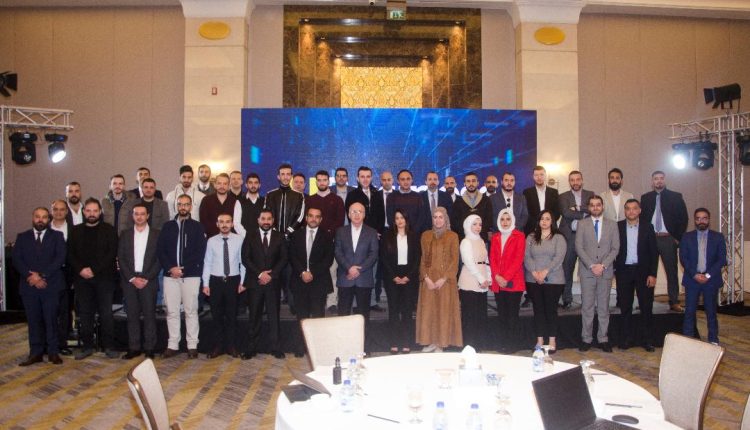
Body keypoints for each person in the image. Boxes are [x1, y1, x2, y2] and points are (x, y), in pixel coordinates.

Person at [12, 207, 66, 366]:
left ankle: (53, 352)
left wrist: (41, 275)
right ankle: (35, 353)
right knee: (33, 320)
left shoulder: (57, 236)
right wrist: (31, 277)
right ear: (33, 218)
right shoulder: (22, 237)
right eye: (37, 216)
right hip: (29, 287)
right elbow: (17, 260)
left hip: (50, 285)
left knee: (51, 320)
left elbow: (60, 258)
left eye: (44, 217)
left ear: (48, 219)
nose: (40, 220)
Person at [67, 198, 119, 360]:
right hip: (82, 279)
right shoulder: (75, 231)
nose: (92, 214)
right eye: (88, 211)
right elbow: (70, 254)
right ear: (84, 212)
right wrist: (81, 269)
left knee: (106, 313)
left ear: (100, 212)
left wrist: (94, 270)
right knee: (85, 314)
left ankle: (108, 346)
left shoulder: (109, 230)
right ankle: (87, 346)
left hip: (104, 279)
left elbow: (112, 253)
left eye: (95, 211)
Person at [157, 194, 207, 359]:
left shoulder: (197, 227)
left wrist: (184, 269)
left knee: (191, 311)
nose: (183, 207)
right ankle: (173, 345)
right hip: (170, 276)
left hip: (190, 276)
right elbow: (161, 250)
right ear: (176, 206)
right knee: (171, 311)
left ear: (191, 207)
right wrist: (171, 268)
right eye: (180, 204)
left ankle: (192, 345)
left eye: (186, 204)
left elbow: (200, 252)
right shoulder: (168, 226)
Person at [575, 195, 619, 353]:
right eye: (592, 205)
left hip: (605, 272)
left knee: (603, 307)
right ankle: (586, 339)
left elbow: (615, 248)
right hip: (587, 271)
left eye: (598, 205)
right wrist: (592, 265)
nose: (595, 207)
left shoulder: (612, 225)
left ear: (602, 206)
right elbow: (579, 247)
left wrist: (603, 265)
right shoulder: (582, 224)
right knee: (587, 307)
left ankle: (603, 339)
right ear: (589, 207)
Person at [242, 209, 288, 359]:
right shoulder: (250, 236)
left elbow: (284, 258)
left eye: (269, 219)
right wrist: (260, 274)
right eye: (263, 219)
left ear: (273, 220)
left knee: (274, 316)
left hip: (273, 283)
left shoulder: (279, 237)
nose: (266, 222)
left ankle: (276, 348)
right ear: (258, 220)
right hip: (255, 282)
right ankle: (251, 348)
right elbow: (245, 258)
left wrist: (271, 275)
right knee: (254, 316)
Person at [640, 170, 688, 312]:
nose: (659, 181)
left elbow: (683, 218)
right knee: (648, 271)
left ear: (665, 180)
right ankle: (646, 301)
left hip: (668, 239)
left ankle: (674, 301)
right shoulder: (645, 198)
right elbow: (642, 220)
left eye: (661, 178)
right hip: (650, 239)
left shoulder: (676, 197)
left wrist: (677, 238)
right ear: (652, 181)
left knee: (671, 272)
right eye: (656, 178)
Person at [288, 207, 334, 356]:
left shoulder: (327, 236)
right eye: (311, 216)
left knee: (318, 317)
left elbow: (328, 259)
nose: (314, 219)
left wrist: (312, 273)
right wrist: (303, 272)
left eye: (317, 217)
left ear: (321, 219)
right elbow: (292, 256)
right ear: (306, 218)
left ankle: (317, 349)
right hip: (299, 281)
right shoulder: (296, 235)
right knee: (301, 317)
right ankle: (301, 347)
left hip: (318, 282)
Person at [614, 199, 658, 351]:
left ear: (639, 210)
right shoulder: (618, 226)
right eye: (628, 208)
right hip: (624, 272)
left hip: (643, 272)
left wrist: (653, 274)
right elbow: (612, 249)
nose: (631, 211)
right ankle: (626, 339)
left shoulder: (648, 227)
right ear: (624, 211)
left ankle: (647, 340)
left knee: (646, 307)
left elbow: (654, 252)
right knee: (625, 307)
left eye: (634, 208)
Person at [416, 207, 462, 353]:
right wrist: (426, 278)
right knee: (429, 312)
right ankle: (431, 341)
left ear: (445, 218)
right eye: (435, 217)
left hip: (445, 281)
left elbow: (455, 260)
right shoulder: (426, 235)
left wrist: (444, 278)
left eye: (440, 217)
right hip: (429, 280)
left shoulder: (453, 236)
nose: (437, 220)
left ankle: (441, 343)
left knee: (443, 312)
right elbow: (423, 258)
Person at [118, 204, 161, 359]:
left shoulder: (157, 234)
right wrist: (132, 278)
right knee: (132, 315)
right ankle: (134, 347)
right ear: (132, 216)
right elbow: (121, 258)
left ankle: (150, 348)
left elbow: (159, 259)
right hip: (130, 280)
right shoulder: (125, 234)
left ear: (147, 216)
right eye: (136, 214)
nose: (139, 217)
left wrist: (146, 277)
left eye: (142, 214)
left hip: (149, 280)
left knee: (149, 315)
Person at [680, 208, 727, 345]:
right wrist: (695, 274)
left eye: (704, 218)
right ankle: (688, 339)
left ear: (709, 219)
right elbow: (683, 258)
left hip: (710, 280)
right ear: (695, 220)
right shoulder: (686, 237)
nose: (701, 221)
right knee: (689, 311)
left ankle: (713, 339)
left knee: (711, 311)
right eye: (698, 218)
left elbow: (721, 259)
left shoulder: (718, 237)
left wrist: (707, 275)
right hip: (692, 280)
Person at [202, 213, 245, 359]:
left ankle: (231, 346)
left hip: (233, 281)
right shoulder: (211, 241)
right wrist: (206, 283)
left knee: (232, 316)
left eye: (227, 222)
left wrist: (243, 282)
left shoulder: (239, 240)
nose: (225, 224)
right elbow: (207, 263)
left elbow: (243, 263)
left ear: (232, 224)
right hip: (216, 282)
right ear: (217, 224)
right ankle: (218, 347)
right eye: (221, 222)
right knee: (217, 316)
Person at [524, 210, 566, 352]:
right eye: (542, 218)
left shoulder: (559, 238)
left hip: (554, 280)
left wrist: (545, 272)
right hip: (533, 279)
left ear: (552, 221)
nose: (544, 221)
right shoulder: (531, 237)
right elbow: (527, 256)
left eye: (547, 219)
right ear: (538, 221)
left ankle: (552, 341)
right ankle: (540, 341)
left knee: (551, 311)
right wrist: (535, 273)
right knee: (538, 310)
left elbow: (558, 258)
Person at [264, 163, 304, 314]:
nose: (286, 177)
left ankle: (294, 306)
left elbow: (300, 217)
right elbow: (267, 215)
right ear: (278, 176)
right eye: (283, 174)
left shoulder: (299, 196)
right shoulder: (270, 195)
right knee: (273, 274)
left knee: (291, 275)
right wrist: (276, 234)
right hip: (273, 242)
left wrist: (287, 233)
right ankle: (271, 307)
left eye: (288, 174)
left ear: (291, 176)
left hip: (291, 241)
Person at [380, 209, 421, 354]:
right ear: (394, 220)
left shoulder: (414, 236)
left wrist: (408, 276)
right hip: (392, 277)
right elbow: (383, 258)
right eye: (397, 218)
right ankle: (394, 342)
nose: (400, 221)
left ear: (406, 219)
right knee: (393, 311)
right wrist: (393, 276)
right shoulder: (387, 236)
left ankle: (406, 342)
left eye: (402, 218)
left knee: (407, 311)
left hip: (409, 277)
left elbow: (417, 258)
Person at [306, 170, 345, 313]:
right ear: (316, 181)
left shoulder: (337, 199)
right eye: (319, 180)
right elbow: (307, 221)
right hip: (312, 243)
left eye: (324, 180)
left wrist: (328, 235)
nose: (322, 182)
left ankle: (332, 302)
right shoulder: (309, 199)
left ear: (329, 181)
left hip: (330, 242)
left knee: (332, 272)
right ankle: (314, 301)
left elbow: (340, 221)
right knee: (314, 271)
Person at [334, 202, 379, 322]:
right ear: (349, 214)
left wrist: (359, 269)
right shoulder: (340, 231)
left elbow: (373, 254)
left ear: (364, 214)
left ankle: (363, 335)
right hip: (345, 277)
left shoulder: (372, 232)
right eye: (354, 212)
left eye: (360, 212)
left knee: (363, 316)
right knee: (343, 314)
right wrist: (349, 268)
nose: (357, 215)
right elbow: (338, 252)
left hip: (364, 278)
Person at [489, 208, 526, 352]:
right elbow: (492, 258)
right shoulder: (496, 237)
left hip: (513, 282)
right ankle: (502, 343)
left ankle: (512, 344)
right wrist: (497, 276)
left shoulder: (519, 236)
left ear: (513, 220)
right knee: (502, 314)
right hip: (499, 282)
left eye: (508, 219)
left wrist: (506, 277)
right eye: (502, 219)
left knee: (512, 315)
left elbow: (518, 259)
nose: (505, 222)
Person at [558, 170, 594, 309]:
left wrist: (577, 207)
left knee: (588, 268)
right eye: (572, 180)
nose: (575, 182)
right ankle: (567, 299)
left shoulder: (590, 194)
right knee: (567, 268)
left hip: (586, 237)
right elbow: (566, 213)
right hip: (570, 236)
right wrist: (584, 212)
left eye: (578, 179)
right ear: (569, 182)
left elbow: (593, 210)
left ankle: (588, 299)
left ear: (582, 180)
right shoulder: (563, 196)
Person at [457, 215, 491, 350]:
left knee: (480, 316)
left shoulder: (481, 241)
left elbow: (486, 261)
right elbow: (469, 263)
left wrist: (488, 278)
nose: (478, 227)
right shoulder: (465, 242)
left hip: (482, 283)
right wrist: (481, 279)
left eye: (480, 224)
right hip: (469, 282)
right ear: (468, 225)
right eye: (474, 224)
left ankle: (479, 346)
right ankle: (469, 347)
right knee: (469, 317)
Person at [451, 172, 493, 242]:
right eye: (468, 181)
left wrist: (477, 231)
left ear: (478, 183)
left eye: (473, 181)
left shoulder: (486, 200)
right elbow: (455, 223)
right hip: (464, 240)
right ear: (464, 184)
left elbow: (489, 221)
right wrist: (468, 232)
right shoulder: (458, 202)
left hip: (481, 239)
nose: (471, 184)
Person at [344, 166, 384, 233]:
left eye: (368, 177)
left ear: (371, 178)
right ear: (357, 178)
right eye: (362, 177)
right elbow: (350, 216)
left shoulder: (377, 194)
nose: (365, 179)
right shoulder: (351, 195)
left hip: (375, 233)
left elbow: (381, 216)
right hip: (357, 232)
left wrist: (378, 232)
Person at [199, 173, 239, 238]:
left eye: (225, 184)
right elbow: (203, 221)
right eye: (219, 183)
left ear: (229, 186)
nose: (222, 186)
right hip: (211, 238)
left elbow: (236, 222)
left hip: (231, 238)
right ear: (215, 185)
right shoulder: (206, 200)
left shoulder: (235, 202)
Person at [387, 169, 427, 233]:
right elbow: (390, 218)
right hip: (397, 234)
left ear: (412, 180)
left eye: (408, 179)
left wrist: (414, 232)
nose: (406, 182)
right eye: (402, 179)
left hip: (414, 234)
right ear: (398, 181)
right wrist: (399, 232)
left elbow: (421, 217)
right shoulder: (391, 197)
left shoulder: (418, 197)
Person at [523, 165, 560, 235]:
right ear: (533, 177)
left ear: (545, 176)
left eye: (541, 174)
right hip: (532, 229)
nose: (539, 177)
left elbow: (557, 212)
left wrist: (548, 223)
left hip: (550, 229)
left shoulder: (554, 192)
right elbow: (526, 212)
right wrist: (538, 223)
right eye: (536, 175)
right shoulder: (527, 192)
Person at [235, 172, 265, 237]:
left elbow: (266, 221)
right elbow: (236, 224)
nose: (253, 185)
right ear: (246, 185)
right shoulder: (239, 201)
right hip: (244, 238)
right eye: (250, 182)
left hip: (261, 238)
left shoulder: (265, 201)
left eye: (256, 183)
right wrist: (247, 236)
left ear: (259, 185)